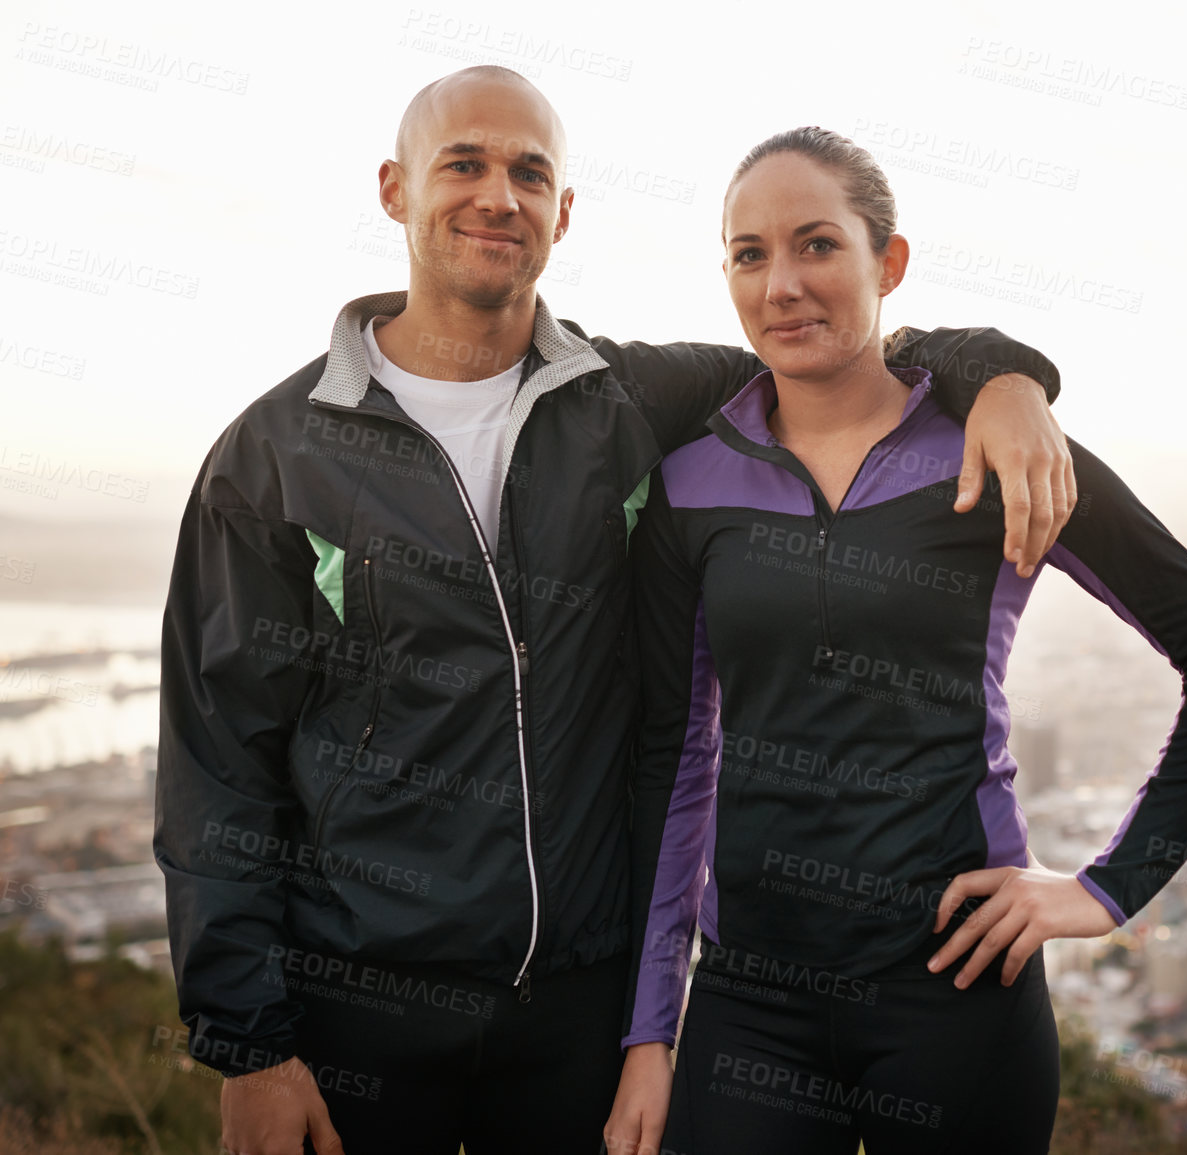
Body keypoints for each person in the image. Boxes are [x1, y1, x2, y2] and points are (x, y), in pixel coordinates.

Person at [154, 68, 1076, 1155]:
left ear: (563, 213)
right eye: (465, 164)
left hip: (580, 1020)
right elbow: (218, 757)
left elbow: (837, 350)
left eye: (529, 173)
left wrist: (1007, 375)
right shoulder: (275, 454)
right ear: (397, 190)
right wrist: (249, 1044)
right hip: (363, 1011)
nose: (498, 194)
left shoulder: (635, 402)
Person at [607, 127, 1187, 1155]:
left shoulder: (998, 449)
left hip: (958, 989)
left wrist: (1107, 890)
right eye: (750, 254)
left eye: (817, 245)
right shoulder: (693, 481)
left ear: (890, 263)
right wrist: (650, 1028)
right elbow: (678, 756)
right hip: (751, 996)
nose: (781, 283)